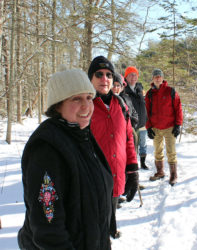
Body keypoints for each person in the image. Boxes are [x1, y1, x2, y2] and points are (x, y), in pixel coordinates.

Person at [18, 69, 113, 250]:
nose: (86, 105)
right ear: (57, 105)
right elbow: (48, 228)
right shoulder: (46, 149)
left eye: (88, 97)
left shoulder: (81, 135)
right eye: (75, 99)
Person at [88, 56, 139, 238]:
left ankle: (112, 227)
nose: (105, 79)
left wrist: (132, 170)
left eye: (109, 75)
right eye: (99, 74)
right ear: (90, 79)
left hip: (117, 174)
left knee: (112, 209)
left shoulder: (120, 105)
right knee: (95, 229)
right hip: (93, 180)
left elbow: (128, 140)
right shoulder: (85, 106)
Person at [145, 69, 183, 186]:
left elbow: (178, 108)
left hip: (169, 127)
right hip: (156, 128)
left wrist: (178, 125)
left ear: (162, 78)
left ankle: (173, 175)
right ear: (153, 78)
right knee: (157, 151)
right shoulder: (149, 94)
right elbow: (146, 111)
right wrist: (148, 127)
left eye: (159, 76)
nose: (157, 78)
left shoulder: (170, 91)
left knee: (171, 151)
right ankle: (160, 172)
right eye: (155, 76)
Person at [124, 66, 149, 170]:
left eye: (135, 75)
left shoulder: (140, 89)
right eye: (131, 75)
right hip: (131, 125)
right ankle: (133, 172)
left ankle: (142, 163)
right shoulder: (123, 90)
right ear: (126, 77)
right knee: (132, 149)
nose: (133, 77)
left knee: (143, 145)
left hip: (142, 123)